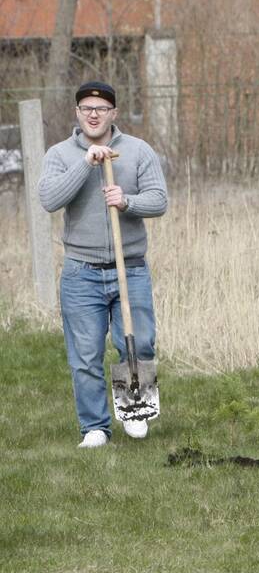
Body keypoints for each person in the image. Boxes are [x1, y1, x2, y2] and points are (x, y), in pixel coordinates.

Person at [38, 81, 168, 448]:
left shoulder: (138, 151)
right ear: (78, 114)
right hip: (82, 272)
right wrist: (86, 163)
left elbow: (159, 200)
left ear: (113, 113)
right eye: (86, 108)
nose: (93, 114)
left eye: (100, 108)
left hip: (131, 268)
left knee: (140, 343)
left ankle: (133, 411)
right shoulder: (61, 154)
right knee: (85, 354)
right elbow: (49, 199)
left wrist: (126, 201)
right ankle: (94, 427)